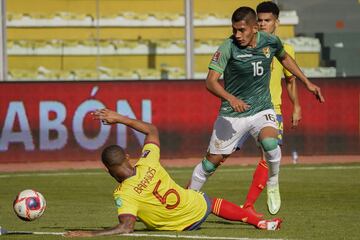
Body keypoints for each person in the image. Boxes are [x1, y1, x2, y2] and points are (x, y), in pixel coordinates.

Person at [187, 6, 324, 218]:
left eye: (242, 30)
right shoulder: (227, 47)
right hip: (232, 114)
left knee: (270, 143)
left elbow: (285, 58)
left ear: (254, 28)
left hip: (262, 108)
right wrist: (231, 98)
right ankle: (187, 199)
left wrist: (307, 82)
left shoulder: (270, 42)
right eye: (234, 30)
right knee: (210, 163)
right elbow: (210, 82)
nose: (237, 35)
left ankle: (273, 179)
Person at [64, 108, 282, 238]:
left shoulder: (123, 194)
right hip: (195, 208)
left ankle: (256, 220)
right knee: (209, 201)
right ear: (128, 157)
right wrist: (119, 118)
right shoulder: (147, 161)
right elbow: (152, 130)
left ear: (107, 170)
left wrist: (89, 233)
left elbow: (126, 227)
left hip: (180, 226)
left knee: (200, 199)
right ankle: (257, 220)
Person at [240, 1, 303, 218]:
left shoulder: (287, 50)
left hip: (271, 109)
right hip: (245, 108)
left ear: (277, 22)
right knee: (216, 157)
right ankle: (191, 195)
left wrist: (296, 106)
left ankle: (265, 191)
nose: (263, 24)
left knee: (268, 151)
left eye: (268, 20)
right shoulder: (245, 46)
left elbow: (291, 81)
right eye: (260, 20)